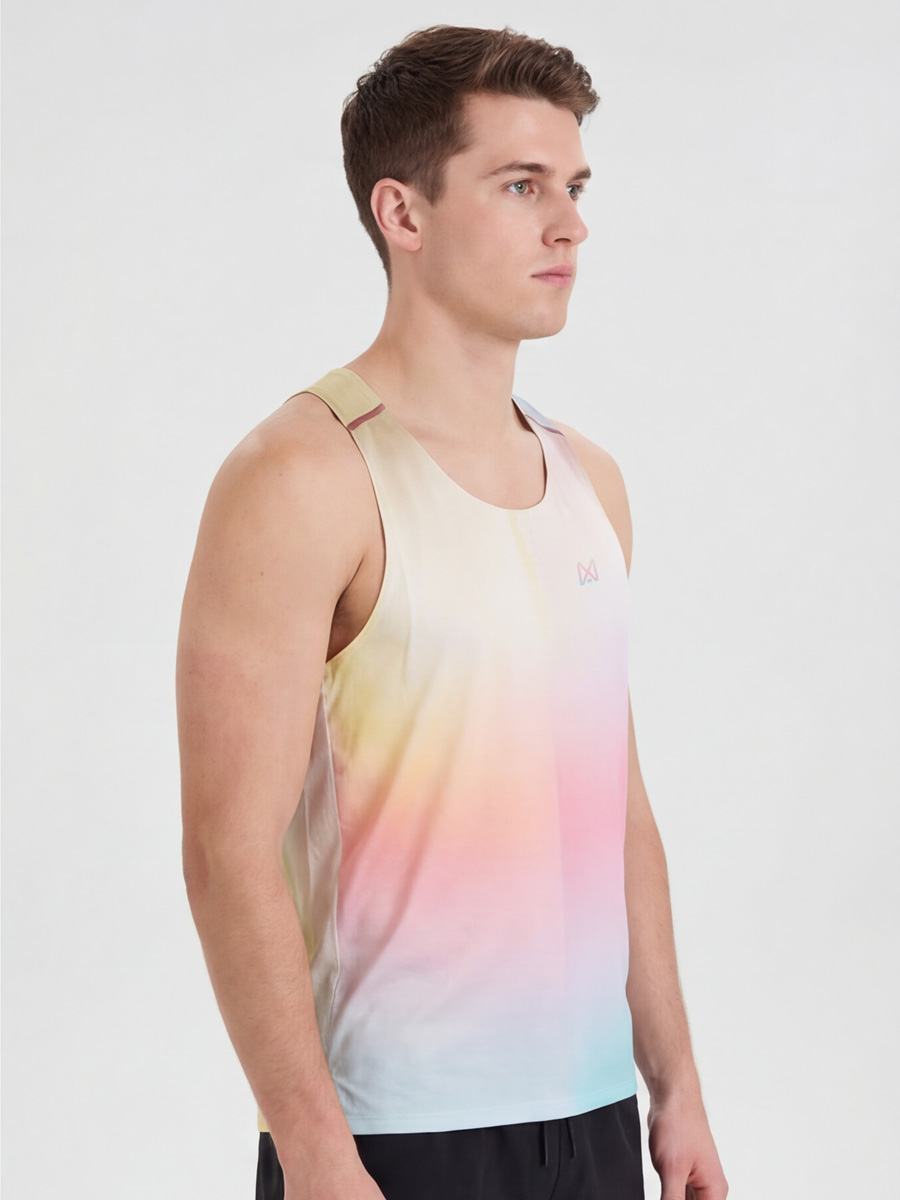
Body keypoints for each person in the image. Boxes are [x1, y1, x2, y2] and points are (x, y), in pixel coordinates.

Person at [176, 23, 728, 1200]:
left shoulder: (590, 483)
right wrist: (318, 1158)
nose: (569, 225)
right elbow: (228, 852)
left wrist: (676, 1085)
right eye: (522, 185)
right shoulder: (301, 477)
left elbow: (618, 812)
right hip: (392, 1141)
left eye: (575, 187)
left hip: (593, 1121)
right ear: (403, 213)